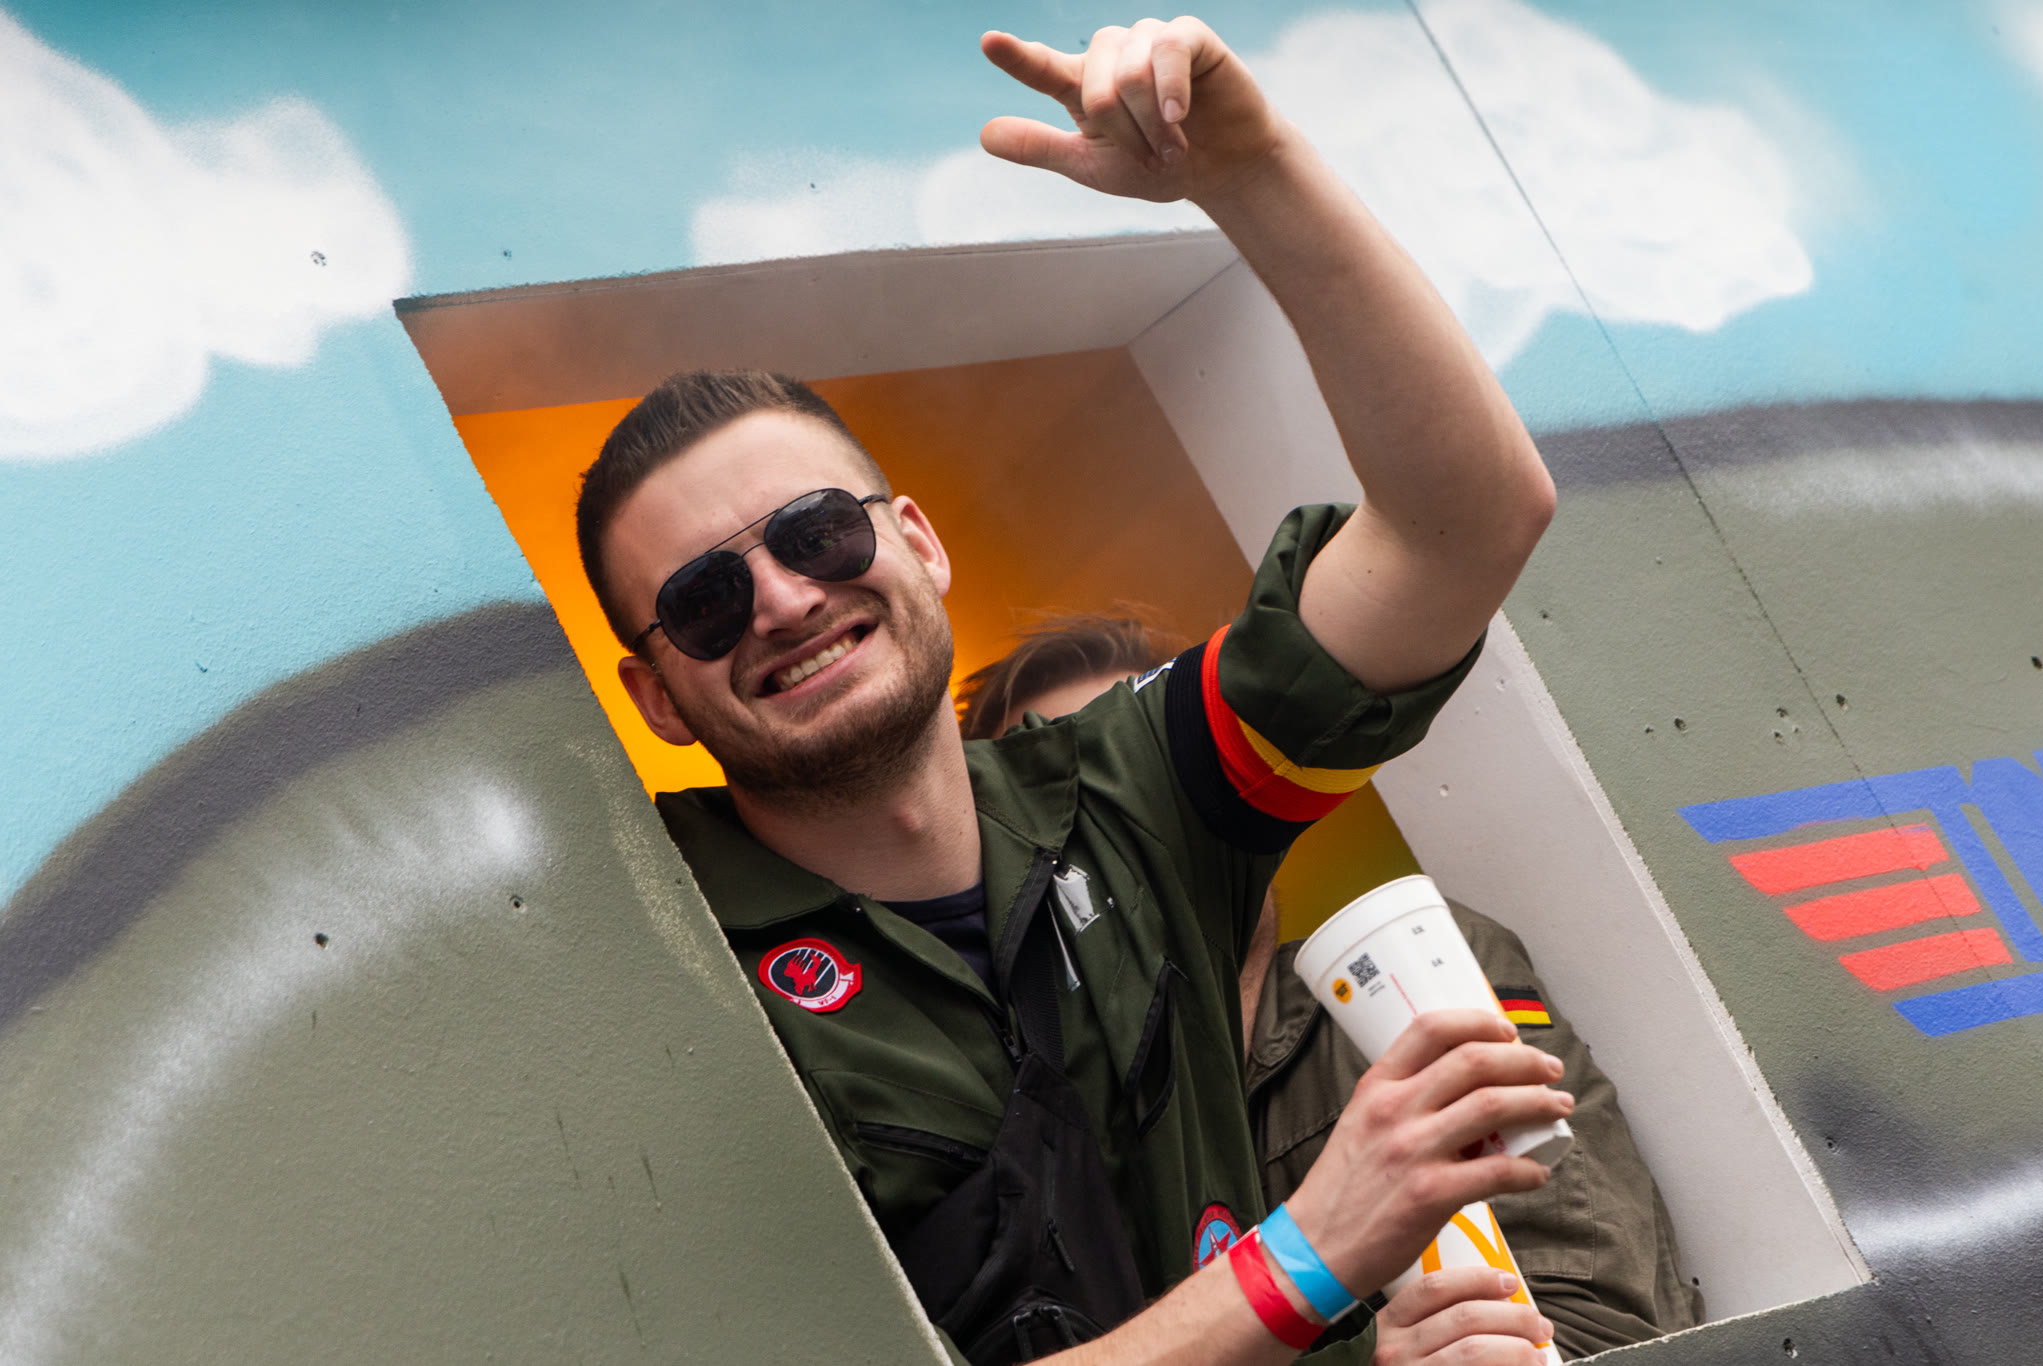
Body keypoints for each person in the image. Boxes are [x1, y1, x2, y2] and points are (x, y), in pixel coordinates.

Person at [576, 17, 1568, 1365]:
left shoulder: (1139, 785)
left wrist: (1250, 172)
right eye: (704, 597)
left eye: (818, 531)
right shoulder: (654, 976)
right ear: (657, 694)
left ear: (917, 542)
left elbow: (1464, 526)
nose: (786, 600)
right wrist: (1303, 1263)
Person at [958, 616, 1707, 1358]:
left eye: (1151, 786)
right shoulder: (1019, 1130)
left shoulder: (1415, 972)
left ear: (1233, 801)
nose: (1124, 837)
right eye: (1071, 814)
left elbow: (1601, 1331)